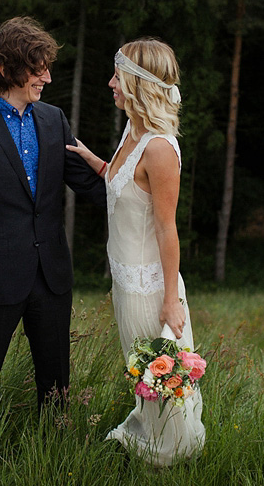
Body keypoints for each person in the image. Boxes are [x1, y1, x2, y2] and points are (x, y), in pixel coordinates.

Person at [0, 16, 106, 454]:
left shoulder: (53, 120)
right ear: (5, 69)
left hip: (51, 276)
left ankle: (54, 454)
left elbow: (90, 187)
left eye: (47, 68)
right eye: (37, 69)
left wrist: (139, 188)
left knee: (57, 380)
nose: (47, 78)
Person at [66, 38, 205, 466]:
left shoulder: (160, 149)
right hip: (126, 283)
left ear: (138, 84)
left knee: (159, 377)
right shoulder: (132, 130)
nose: (110, 83)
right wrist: (89, 157)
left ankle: (169, 457)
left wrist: (169, 302)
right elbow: (124, 185)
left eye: (117, 77)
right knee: (141, 378)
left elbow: (166, 229)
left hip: (151, 290)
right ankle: (148, 441)